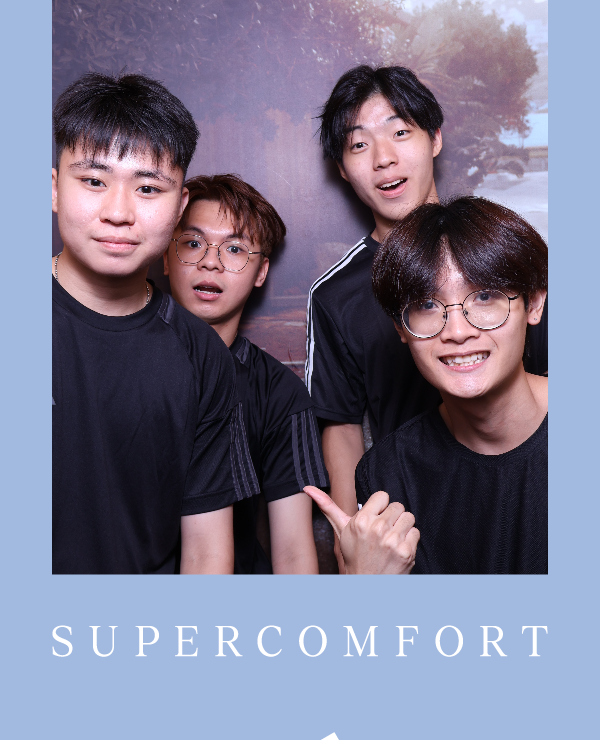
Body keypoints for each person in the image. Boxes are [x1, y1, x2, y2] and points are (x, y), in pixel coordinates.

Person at [306, 63, 548, 567]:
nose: (384, 158)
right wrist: (358, 541)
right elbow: (341, 425)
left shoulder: (505, 255)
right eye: (359, 144)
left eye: (400, 132)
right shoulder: (334, 295)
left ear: (435, 138)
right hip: (417, 503)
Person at [52, 73, 258, 575]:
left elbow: (206, 553)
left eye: (147, 188)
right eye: (94, 181)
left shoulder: (202, 356)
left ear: (180, 205)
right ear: (55, 188)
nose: (118, 212)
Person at [163, 174, 327, 573]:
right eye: (193, 243)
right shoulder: (121, 357)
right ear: (166, 256)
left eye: (235, 249)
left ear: (260, 272)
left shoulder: (280, 394)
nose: (210, 262)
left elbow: (293, 553)